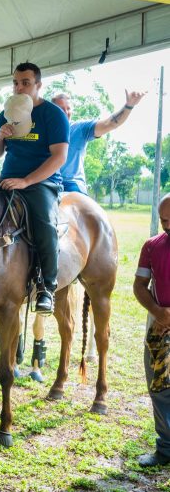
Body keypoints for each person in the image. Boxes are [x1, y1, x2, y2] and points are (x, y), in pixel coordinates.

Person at [26, 89, 147, 377]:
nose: (63, 113)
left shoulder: (78, 130)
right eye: (58, 109)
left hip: (72, 194)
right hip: (43, 190)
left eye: (67, 109)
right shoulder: (39, 132)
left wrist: (128, 104)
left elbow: (110, 123)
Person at [0, 62, 69, 314]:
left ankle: (47, 286)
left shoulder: (52, 114)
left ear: (38, 85)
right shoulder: (6, 112)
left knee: (44, 222)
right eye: (15, 82)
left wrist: (26, 181)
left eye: (25, 82)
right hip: (7, 177)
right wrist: (0, 136)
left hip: (42, 182)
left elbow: (59, 157)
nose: (19, 87)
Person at [134, 195, 170, 468]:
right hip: (159, 327)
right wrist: (159, 312)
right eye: (164, 220)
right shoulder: (152, 246)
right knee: (159, 387)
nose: (167, 225)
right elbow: (139, 285)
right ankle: (165, 448)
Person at [53, 90, 146, 195]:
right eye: (61, 109)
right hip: (49, 182)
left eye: (68, 108)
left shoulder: (80, 129)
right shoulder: (42, 132)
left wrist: (129, 106)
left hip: (72, 184)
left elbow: (109, 123)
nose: (66, 112)